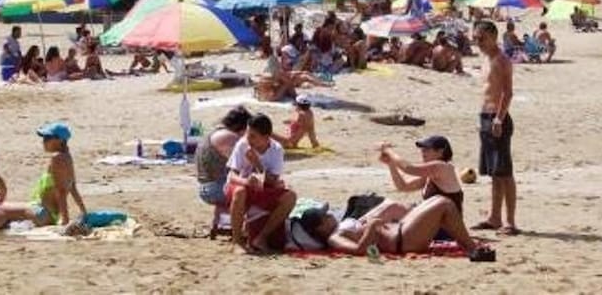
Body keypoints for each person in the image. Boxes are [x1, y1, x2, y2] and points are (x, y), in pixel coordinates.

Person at [297, 195, 494, 261]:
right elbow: (359, 251)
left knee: (437, 201)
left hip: (401, 230)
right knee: (444, 204)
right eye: (325, 216)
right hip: (402, 240)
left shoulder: (340, 227)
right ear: (320, 227)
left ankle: (468, 245)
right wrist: (371, 227)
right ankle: (471, 249)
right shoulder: (334, 238)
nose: (330, 215)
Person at [224, 113, 297, 253]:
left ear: (266, 137)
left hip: (262, 188)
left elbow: (273, 180)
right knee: (240, 192)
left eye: (253, 136)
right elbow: (232, 175)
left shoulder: (276, 149)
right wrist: (246, 181)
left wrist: (257, 164)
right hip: (242, 186)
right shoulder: (242, 145)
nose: (248, 138)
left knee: (290, 197)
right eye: (247, 134)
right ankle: (237, 241)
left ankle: (261, 237)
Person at [471, 20, 518, 236]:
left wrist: (499, 118)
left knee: (505, 172)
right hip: (486, 117)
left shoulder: (502, 60)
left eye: (481, 38)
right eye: (476, 38)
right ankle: (494, 217)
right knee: (494, 173)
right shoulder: (486, 60)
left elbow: (507, 93)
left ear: (493, 37)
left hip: (498, 118)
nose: (478, 42)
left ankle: (510, 221)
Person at [197, 106, 253, 236]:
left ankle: (221, 223)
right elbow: (244, 162)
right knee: (250, 191)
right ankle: (240, 226)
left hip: (208, 186)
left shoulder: (215, 133)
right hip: (214, 188)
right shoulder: (229, 137)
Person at [378, 136, 464, 213]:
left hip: (447, 224)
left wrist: (388, 151)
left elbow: (408, 168)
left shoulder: (442, 167)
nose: (422, 152)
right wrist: (391, 164)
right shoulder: (431, 174)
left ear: (440, 151)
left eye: (427, 149)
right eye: (422, 149)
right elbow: (403, 186)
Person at [31, 122, 88, 232]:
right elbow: (72, 187)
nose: (43, 142)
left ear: (60, 140)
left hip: (43, 213)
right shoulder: (67, 157)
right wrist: (84, 212)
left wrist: (65, 221)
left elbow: (61, 191)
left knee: (3, 209)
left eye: (48, 138)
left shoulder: (56, 158)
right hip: (50, 214)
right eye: (44, 138)